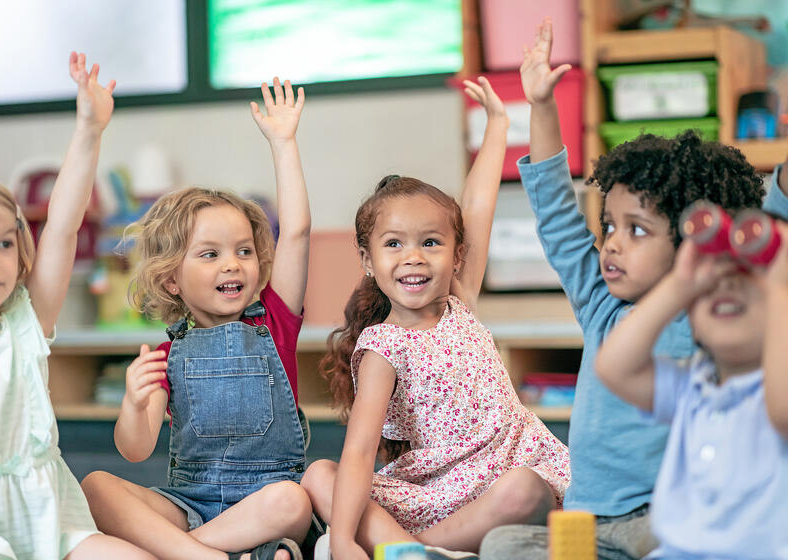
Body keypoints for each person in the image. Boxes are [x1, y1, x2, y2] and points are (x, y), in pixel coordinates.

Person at [479, 19, 783, 560]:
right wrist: (543, 107)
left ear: (694, 241)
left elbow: (768, 235)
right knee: (503, 545)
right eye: (609, 227)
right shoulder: (601, 304)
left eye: (637, 230)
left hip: (661, 518)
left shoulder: (710, 315)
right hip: (585, 520)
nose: (612, 245)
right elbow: (554, 213)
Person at [299, 76, 571, 560]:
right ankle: (415, 548)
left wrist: (498, 125)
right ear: (367, 260)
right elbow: (360, 452)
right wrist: (341, 541)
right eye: (393, 244)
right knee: (321, 475)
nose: (414, 257)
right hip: (428, 495)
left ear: (457, 254)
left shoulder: (459, 301)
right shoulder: (383, 347)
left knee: (527, 491)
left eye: (430, 242)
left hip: (503, 479)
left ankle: (415, 552)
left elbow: (478, 207)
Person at [80, 78, 311, 560]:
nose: (233, 264)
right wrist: (132, 403)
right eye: (210, 254)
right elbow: (136, 450)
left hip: (263, 501)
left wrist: (283, 143)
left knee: (293, 499)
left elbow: (297, 233)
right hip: (187, 504)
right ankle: (222, 553)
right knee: (97, 485)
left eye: (244, 251)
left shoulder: (275, 319)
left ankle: (182, 554)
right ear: (171, 281)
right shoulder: (168, 354)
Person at [0, 54, 152, 559]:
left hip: (51, 516)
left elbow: (62, 224)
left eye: (3, 244)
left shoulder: (27, 317)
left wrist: (88, 130)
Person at [593, 215, 788, 558]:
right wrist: (680, 284)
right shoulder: (692, 386)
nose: (725, 288)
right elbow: (613, 368)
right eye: (709, 288)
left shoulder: (773, 392)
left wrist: (780, 284)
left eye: (749, 283)